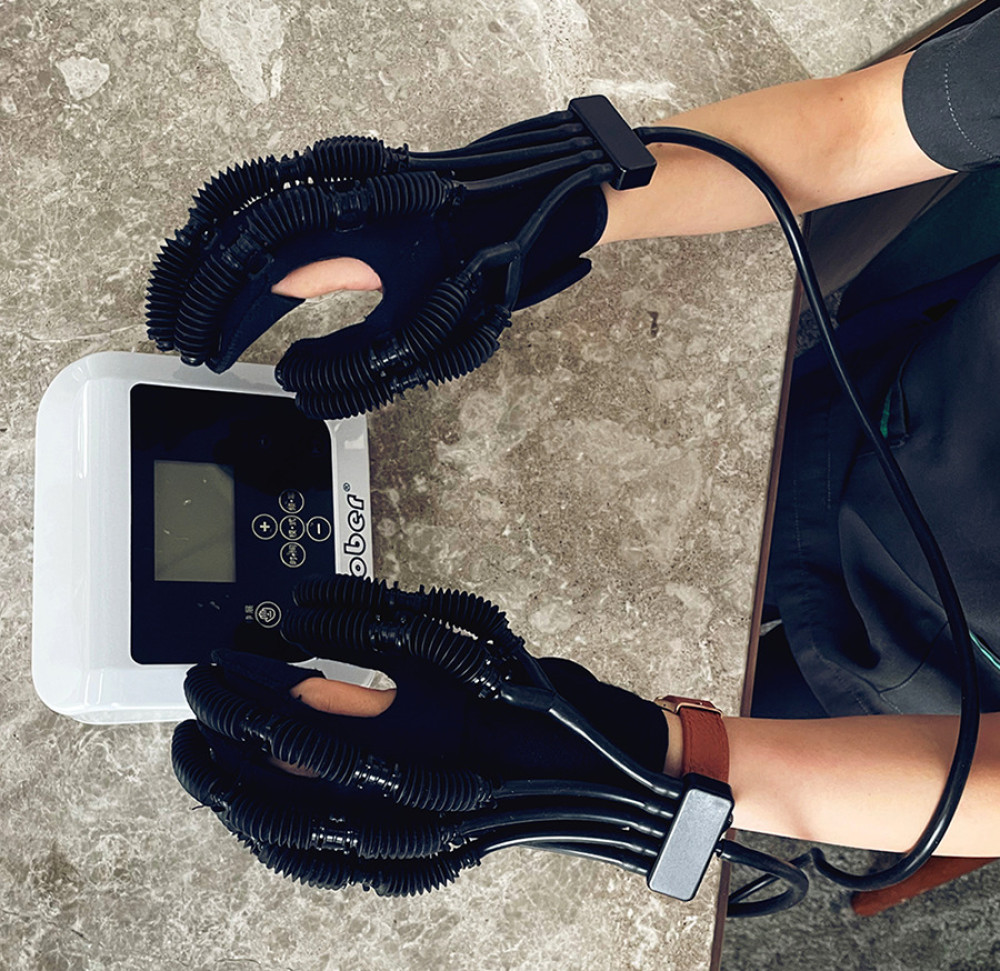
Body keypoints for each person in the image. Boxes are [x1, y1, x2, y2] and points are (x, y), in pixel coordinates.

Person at [233, 8, 1000, 859]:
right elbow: (863, 128)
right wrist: (525, 205)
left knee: (785, 732)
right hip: (887, 417)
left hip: (941, 704)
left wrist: (639, 762)